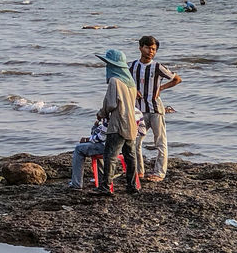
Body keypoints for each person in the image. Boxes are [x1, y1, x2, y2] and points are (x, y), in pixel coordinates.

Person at [129, 35, 181, 182]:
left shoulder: (157, 66)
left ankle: (159, 173)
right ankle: (139, 171)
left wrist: (161, 88)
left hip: (156, 110)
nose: (151, 51)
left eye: (154, 49)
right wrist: (133, 90)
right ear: (141, 48)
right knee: (135, 142)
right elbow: (123, 80)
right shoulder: (132, 66)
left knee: (160, 142)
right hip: (139, 111)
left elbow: (177, 79)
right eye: (148, 48)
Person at [94, 49, 140, 195]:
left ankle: (105, 187)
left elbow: (111, 104)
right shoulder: (131, 82)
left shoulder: (115, 81)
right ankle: (132, 186)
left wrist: (101, 114)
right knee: (130, 156)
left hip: (118, 123)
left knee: (110, 155)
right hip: (131, 123)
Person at [67, 117, 108, 189]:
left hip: (108, 146)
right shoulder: (132, 110)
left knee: (78, 149)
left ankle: (76, 183)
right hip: (122, 146)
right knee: (95, 142)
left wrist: (87, 139)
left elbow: (101, 137)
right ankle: (100, 179)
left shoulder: (110, 114)